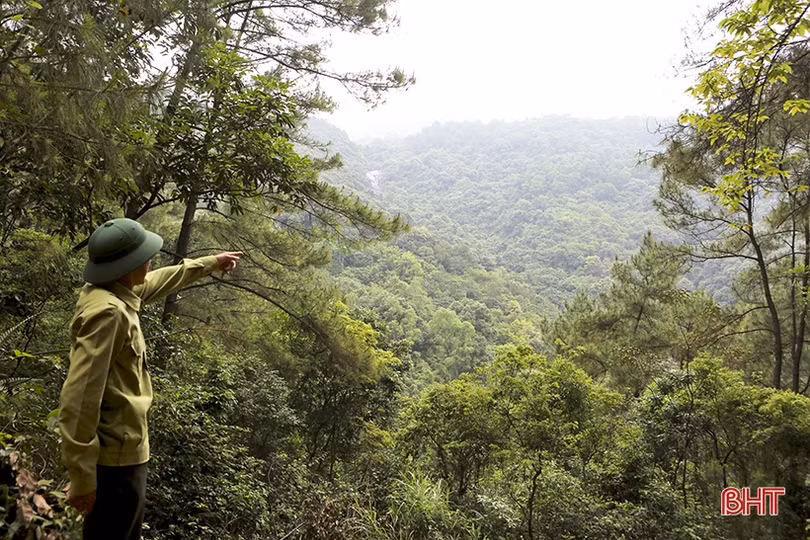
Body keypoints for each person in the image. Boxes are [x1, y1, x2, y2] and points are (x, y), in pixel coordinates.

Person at [58, 217, 243, 540]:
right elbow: (79, 398)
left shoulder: (110, 291)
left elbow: (162, 279)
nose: (150, 259)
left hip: (122, 455)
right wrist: (83, 476)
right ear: (128, 265)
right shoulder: (109, 314)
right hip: (116, 462)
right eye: (144, 255)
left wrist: (212, 262)